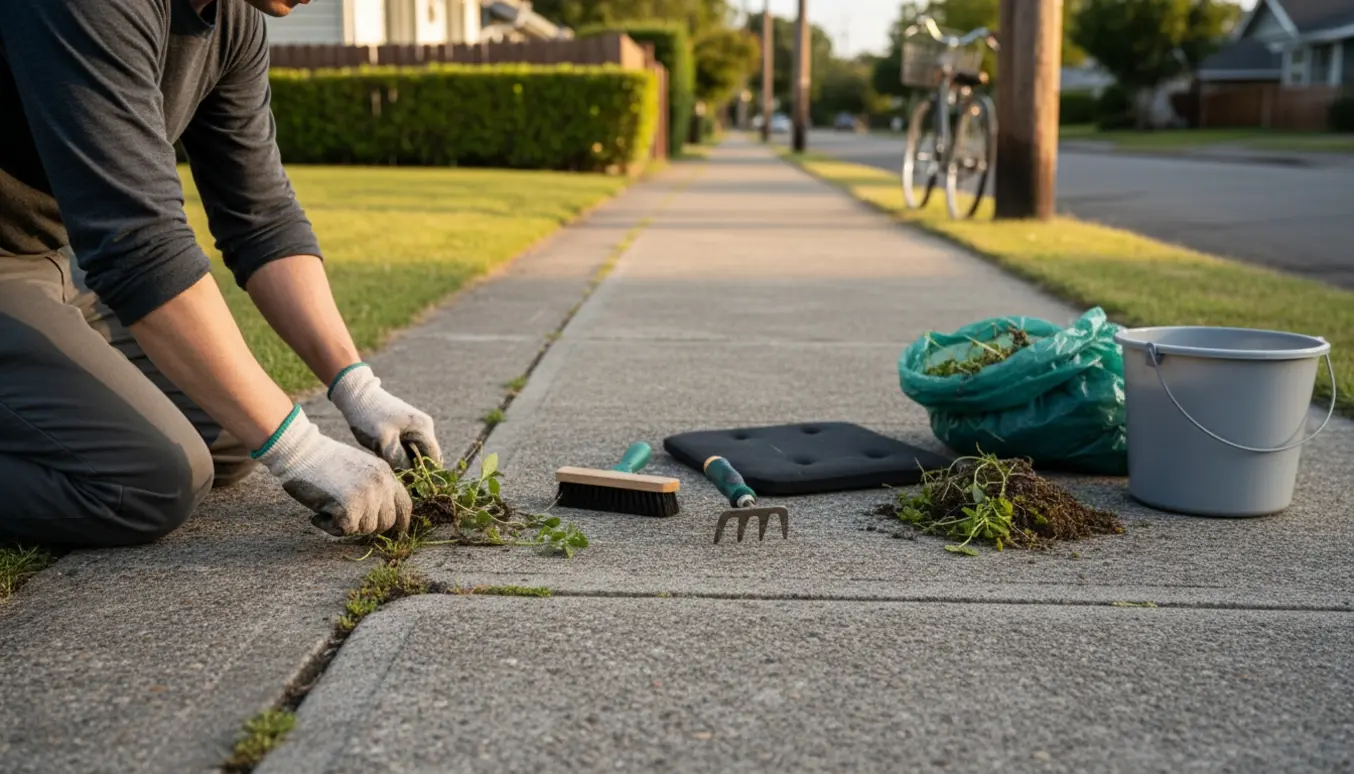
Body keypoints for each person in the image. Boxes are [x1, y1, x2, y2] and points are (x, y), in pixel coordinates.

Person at [0, 0, 442, 548]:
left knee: (233, 433)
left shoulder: (233, 20)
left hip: (59, 259)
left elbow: (260, 217)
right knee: (149, 480)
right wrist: (299, 448)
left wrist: (357, 389)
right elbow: (139, 244)